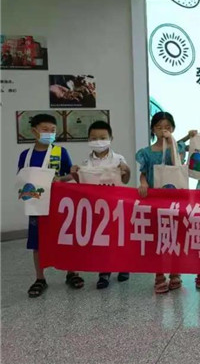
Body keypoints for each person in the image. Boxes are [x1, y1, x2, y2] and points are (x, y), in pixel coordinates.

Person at [18, 114, 82, 297]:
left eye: (53, 130)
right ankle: (40, 278)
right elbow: (21, 179)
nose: (50, 133)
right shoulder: (26, 155)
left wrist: (62, 178)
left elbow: (69, 175)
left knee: (65, 237)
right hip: (37, 204)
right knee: (37, 241)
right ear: (34, 131)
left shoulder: (60, 152)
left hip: (59, 203)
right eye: (45, 129)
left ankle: (72, 272)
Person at [70, 121, 131, 289]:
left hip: (116, 206)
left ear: (111, 138)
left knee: (119, 238)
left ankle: (123, 266)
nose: (98, 141)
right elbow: (82, 184)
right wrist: (74, 174)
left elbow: (126, 180)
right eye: (94, 138)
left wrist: (127, 170)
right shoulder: (86, 162)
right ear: (88, 140)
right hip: (97, 209)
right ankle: (104, 272)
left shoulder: (118, 159)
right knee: (102, 240)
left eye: (102, 137)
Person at [136, 112, 186, 294]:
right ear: (153, 129)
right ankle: (159, 275)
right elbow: (143, 173)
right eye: (159, 127)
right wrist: (143, 183)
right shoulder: (146, 152)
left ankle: (175, 273)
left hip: (175, 201)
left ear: (173, 128)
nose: (163, 130)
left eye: (167, 127)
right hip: (155, 201)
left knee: (175, 236)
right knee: (157, 237)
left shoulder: (178, 147)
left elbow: (177, 163)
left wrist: (171, 141)